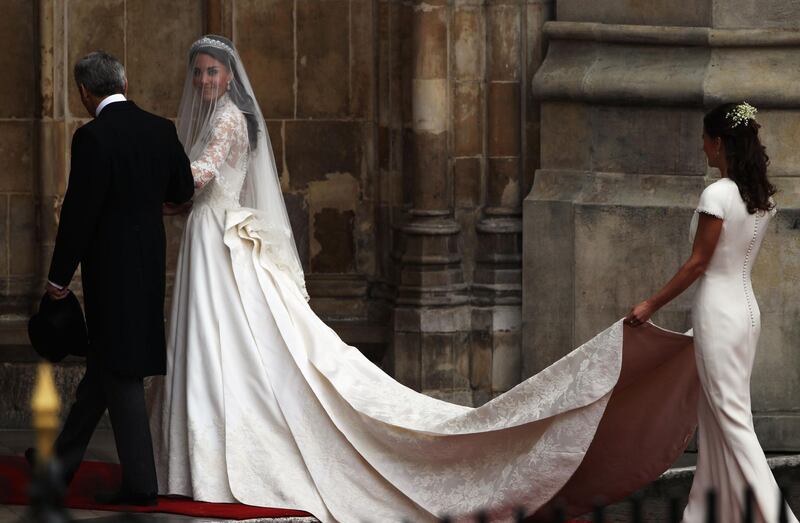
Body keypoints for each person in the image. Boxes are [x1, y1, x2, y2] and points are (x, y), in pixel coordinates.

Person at [148, 35, 701, 522]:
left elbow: (199, 175)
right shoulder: (221, 116)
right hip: (212, 235)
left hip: (219, 238)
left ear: (228, 76)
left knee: (233, 342)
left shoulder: (225, 119)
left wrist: (149, 172)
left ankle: (228, 453)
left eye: (212, 72)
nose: (203, 80)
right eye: (198, 72)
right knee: (219, 343)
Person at [626, 102, 798, 523]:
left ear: (718, 142)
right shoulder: (759, 196)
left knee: (732, 420)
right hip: (746, 312)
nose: (703, 148)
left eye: (705, 140)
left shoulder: (717, 193)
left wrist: (651, 305)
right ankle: (704, 512)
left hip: (718, 312)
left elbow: (698, 263)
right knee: (716, 415)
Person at [39, 51, 194, 506]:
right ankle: (58, 469)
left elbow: (79, 214)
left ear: (85, 93)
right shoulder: (160, 129)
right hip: (148, 270)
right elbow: (183, 190)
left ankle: (142, 486)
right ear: (125, 82)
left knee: (119, 372)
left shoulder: (93, 137)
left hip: (110, 275)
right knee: (105, 370)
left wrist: (57, 278)